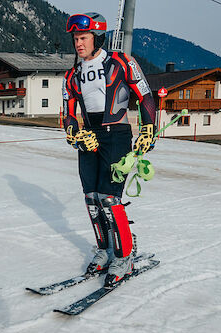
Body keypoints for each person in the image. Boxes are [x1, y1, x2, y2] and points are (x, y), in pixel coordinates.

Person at [62, 13, 157, 287]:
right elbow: (68, 114)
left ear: (98, 38)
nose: (78, 44)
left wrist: (147, 130)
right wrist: (75, 134)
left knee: (109, 199)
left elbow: (146, 96)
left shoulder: (120, 62)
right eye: (76, 39)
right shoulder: (73, 74)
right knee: (91, 198)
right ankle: (104, 250)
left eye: (83, 38)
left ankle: (124, 256)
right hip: (89, 139)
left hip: (116, 136)